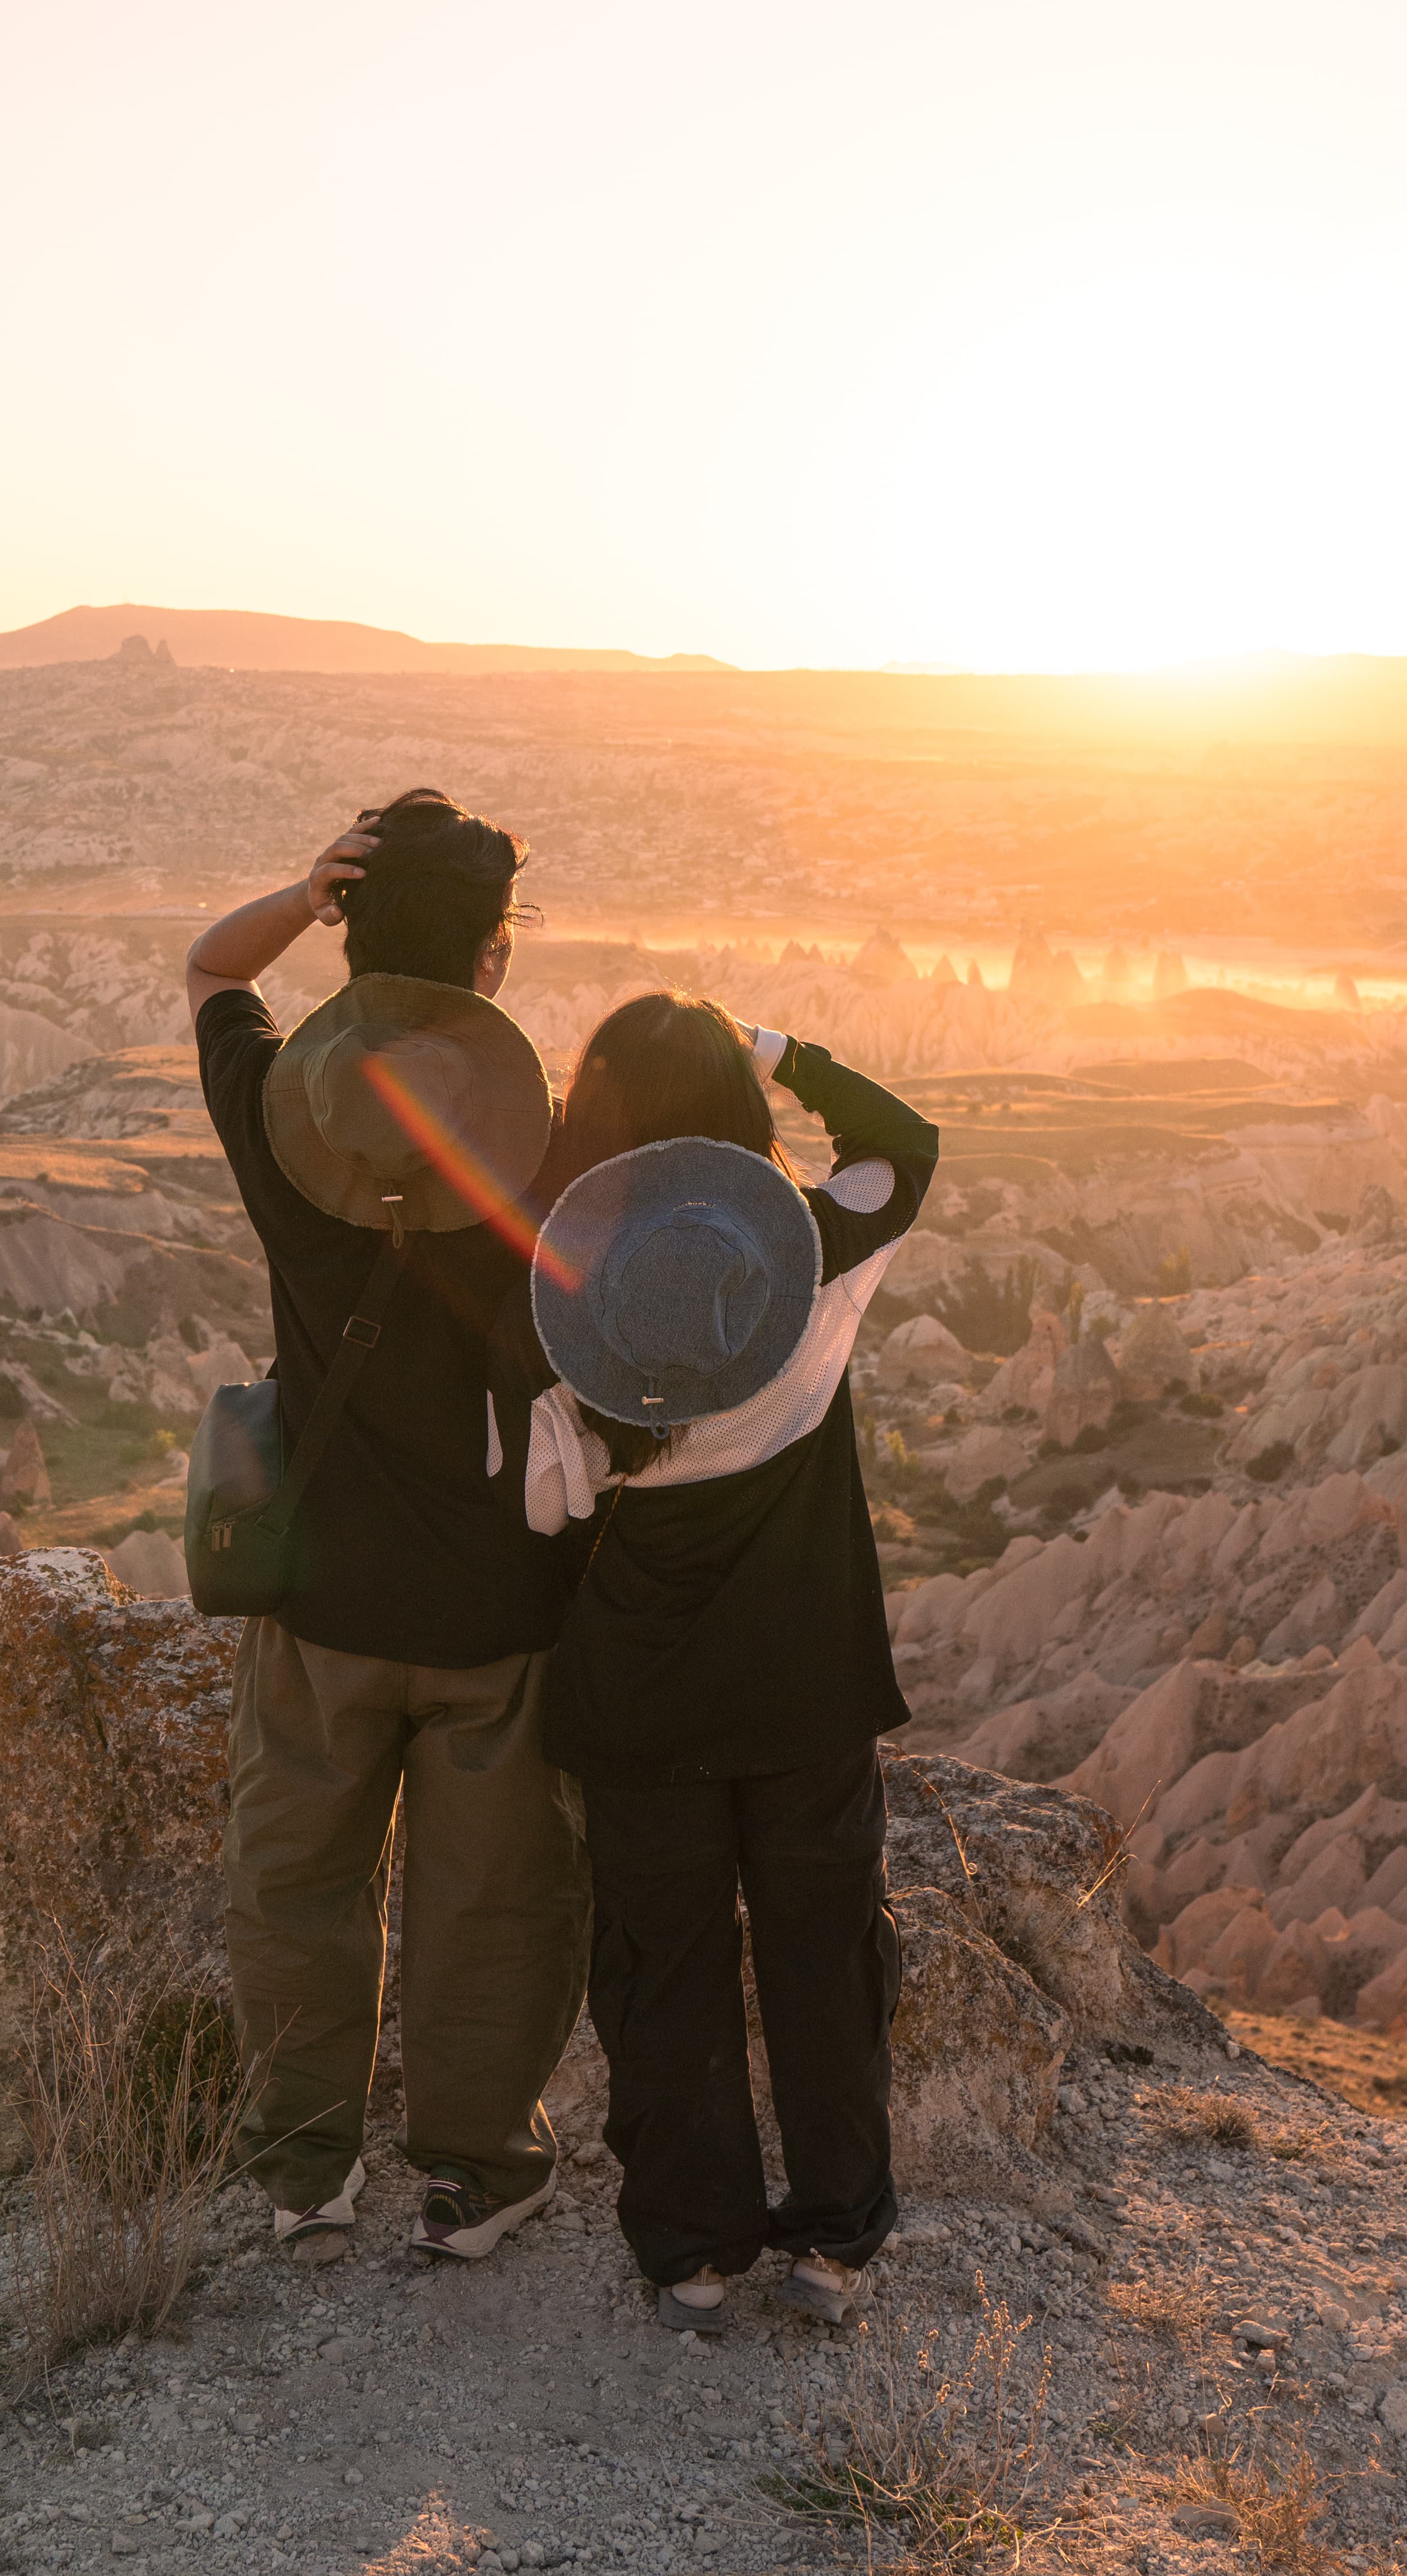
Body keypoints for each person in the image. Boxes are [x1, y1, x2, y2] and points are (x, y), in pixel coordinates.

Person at [488, 992, 938, 2332]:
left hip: (639, 1691)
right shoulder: (815, 1248)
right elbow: (902, 1140)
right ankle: (834, 2242)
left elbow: (541, 1514)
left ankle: (690, 2249)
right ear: (736, 1126)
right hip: (807, 1677)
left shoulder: (559, 1302)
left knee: (661, 1957)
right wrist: (776, 1047)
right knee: (821, 1953)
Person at [186, 791, 589, 2264]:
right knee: (492, 1900)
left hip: (323, 1599)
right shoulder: (550, 1152)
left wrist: (303, 892)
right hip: (500, 1608)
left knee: (294, 1878)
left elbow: (211, 974)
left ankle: (303, 2166)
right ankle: (476, 2170)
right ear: (492, 961)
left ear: (355, 940)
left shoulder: (278, 1118)